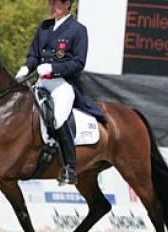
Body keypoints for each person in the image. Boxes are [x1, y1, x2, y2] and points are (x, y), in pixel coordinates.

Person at [16, 0, 106, 185]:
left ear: (67, 4)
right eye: (50, 3)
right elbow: (34, 54)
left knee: (58, 117)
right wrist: (26, 67)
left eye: (56, 3)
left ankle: (69, 168)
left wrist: (53, 68)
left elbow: (78, 63)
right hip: (41, 81)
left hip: (63, 84)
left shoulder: (78, 29)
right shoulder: (45, 26)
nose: (52, 6)